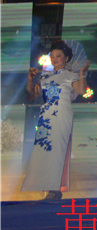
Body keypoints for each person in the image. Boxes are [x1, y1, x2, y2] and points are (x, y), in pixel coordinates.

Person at [21, 42, 90, 200]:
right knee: (43, 150)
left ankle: (55, 188)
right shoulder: (44, 76)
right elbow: (31, 96)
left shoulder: (70, 76)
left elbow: (81, 91)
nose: (55, 59)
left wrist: (81, 72)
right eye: (52, 56)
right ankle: (47, 187)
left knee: (57, 150)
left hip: (61, 114)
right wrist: (30, 80)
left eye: (59, 56)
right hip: (45, 116)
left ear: (66, 58)